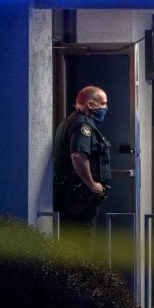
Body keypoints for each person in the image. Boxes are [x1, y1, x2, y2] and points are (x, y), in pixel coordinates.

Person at [53, 86, 111, 246]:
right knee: (81, 241)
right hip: (78, 195)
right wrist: (91, 185)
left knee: (72, 241)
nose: (106, 108)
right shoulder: (82, 125)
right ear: (90, 104)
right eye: (103, 103)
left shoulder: (71, 121)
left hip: (72, 193)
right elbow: (78, 156)